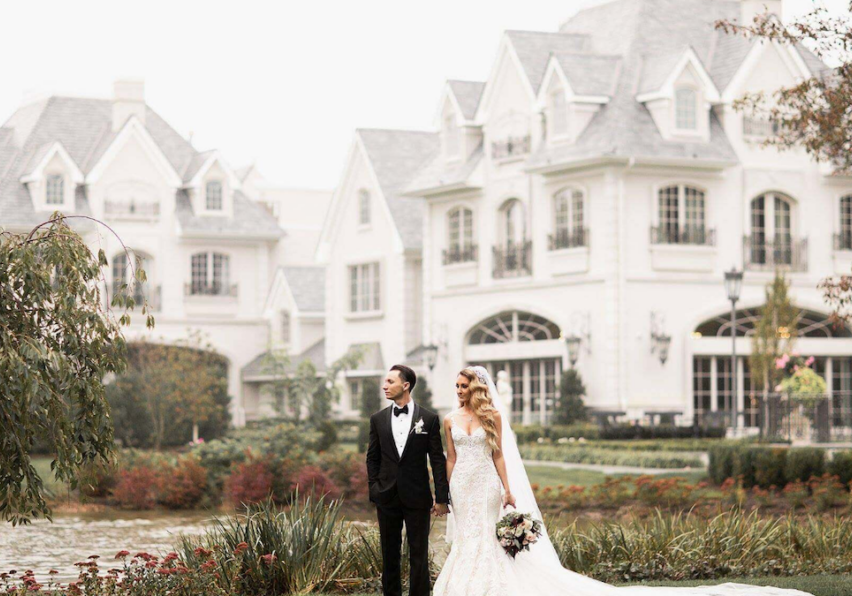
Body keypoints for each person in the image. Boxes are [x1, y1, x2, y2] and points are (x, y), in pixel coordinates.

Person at [433, 366, 813, 596]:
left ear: (477, 388)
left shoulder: (492, 417)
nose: (459, 390)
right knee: (468, 534)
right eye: (456, 386)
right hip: (462, 485)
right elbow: (451, 457)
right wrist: (447, 493)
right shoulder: (449, 420)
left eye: (464, 386)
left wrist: (509, 488)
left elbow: (498, 454)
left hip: (487, 484)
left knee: (486, 534)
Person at [366, 364, 450, 596]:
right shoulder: (378, 419)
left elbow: (437, 460)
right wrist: (374, 488)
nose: (385, 386)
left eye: (390, 382)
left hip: (417, 497)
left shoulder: (429, 419)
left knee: (419, 556)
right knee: (389, 555)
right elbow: (372, 458)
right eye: (385, 381)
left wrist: (441, 497)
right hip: (387, 495)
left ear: (406, 385)